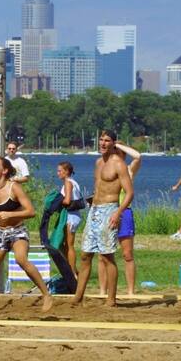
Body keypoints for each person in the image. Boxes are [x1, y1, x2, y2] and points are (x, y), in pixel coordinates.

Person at [0, 157, 53, 318]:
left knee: (21, 259)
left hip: (17, 230)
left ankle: (46, 295)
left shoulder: (15, 187)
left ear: (5, 171)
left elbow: (31, 211)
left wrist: (9, 214)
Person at [71, 130, 134, 307]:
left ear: (114, 143)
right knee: (85, 254)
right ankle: (78, 296)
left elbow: (129, 193)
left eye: (107, 140)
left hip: (110, 210)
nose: (103, 143)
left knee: (107, 256)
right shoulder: (98, 162)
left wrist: (118, 212)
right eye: (101, 140)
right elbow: (99, 187)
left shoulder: (119, 164)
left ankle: (111, 299)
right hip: (94, 210)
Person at [97, 141, 141, 296]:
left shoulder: (128, 170)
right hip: (107, 212)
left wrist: (118, 145)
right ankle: (103, 290)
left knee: (127, 254)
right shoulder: (105, 166)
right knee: (103, 255)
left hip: (124, 213)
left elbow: (137, 156)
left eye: (118, 153)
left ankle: (130, 290)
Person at [56, 161, 83, 277]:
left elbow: (67, 201)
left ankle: (72, 273)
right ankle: (72, 268)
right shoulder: (74, 182)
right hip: (75, 215)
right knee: (61, 243)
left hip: (70, 216)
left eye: (59, 171)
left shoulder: (67, 182)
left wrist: (55, 202)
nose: (58, 173)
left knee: (69, 244)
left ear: (66, 172)